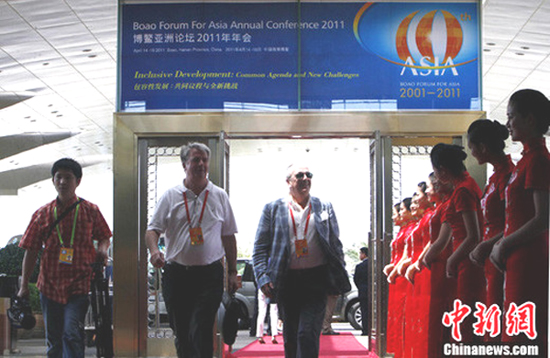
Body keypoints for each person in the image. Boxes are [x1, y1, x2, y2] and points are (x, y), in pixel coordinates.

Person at [145, 142, 238, 358]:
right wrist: (154, 252)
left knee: (202, 328)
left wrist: (232, 272)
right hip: (177, 275)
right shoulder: (170, 196)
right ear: (184, 164)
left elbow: (228, 236)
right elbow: (152, 230)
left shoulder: (219, 196)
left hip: (209, 275)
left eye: (204, 160)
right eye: (196, 159)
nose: (201, 164)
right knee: (183, 332)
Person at [17, 158, 112, 358]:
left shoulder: (90, 210)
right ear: (53, 180)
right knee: (54, 339)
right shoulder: (42, 214)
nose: (62, 182)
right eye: (58, 177)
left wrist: (102, 250)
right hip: (50, 286)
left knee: (71, 333)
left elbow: (104, 236)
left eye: (67, 177)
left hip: (79, 284)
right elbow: (31, 249)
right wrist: (24, 284)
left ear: (77, 181)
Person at [252, 164, 349, 358]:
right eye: (300, 175)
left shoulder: (324, 206)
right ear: (288, 181)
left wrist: (338, 275)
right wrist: (262, 277)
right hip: (287, 281)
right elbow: (260, 248)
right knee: (291, 336)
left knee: (307, 333)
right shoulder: (273, 209)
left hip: (317, 280)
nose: (305, 178)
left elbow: (334, 244)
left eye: (309, 175)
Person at [490, 89, 549, 354]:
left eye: (512, 117)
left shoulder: (538, 160)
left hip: (528, 258)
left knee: (523, 336)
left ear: (530, 119)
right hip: (516, 258)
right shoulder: (525, 160)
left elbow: (543, 217)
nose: (508, 124)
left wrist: (503, 244)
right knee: (512, 333)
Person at [424, 143, 485, 344]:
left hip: (465, 261)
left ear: (442, 169)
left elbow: (473, 235)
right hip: (464, 259)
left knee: (466, 322)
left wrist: (452, 260)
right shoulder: (466, 185)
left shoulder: (463, 191)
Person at [467, 119, 515, 342]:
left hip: (501, 256)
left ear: (483, 147)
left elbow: (515, 220)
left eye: (473, 147)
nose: (472, 153)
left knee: (499, 318)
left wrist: (488, 244)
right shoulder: (495, 177)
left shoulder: (508, 175)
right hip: (490, 256)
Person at [354, 247, 370, 337]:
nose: (360, 255)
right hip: (372, 291)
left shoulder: (359, 266)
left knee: (364, 311)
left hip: (363, 291)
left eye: (360, 253)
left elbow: (356, 279)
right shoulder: (374, 265)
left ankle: (365, 330)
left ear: (364, 254)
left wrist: (361, 287)